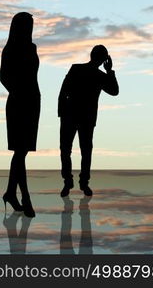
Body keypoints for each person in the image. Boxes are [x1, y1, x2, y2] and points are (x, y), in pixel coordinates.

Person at [58, 45, 118, 197]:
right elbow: (63, 90)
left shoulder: (98, 75)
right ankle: (72, 182)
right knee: (74, 150)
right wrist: (109, 71)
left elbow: (114, 91)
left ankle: (78, 183)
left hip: (82, 118)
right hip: (72, 116)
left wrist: (109, 72)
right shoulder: (79, 70)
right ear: (104, 59)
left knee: (77, 150)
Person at [0, 12, 40, 218]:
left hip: (33, 101)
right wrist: (18, 91)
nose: (30, 29)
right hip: (18, 102)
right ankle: (24, 197)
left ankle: (10, 192)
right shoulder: (10, 49)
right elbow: (3, 77)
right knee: (20, 150)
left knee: (22, 151)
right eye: (27, 25)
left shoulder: (32, 48)